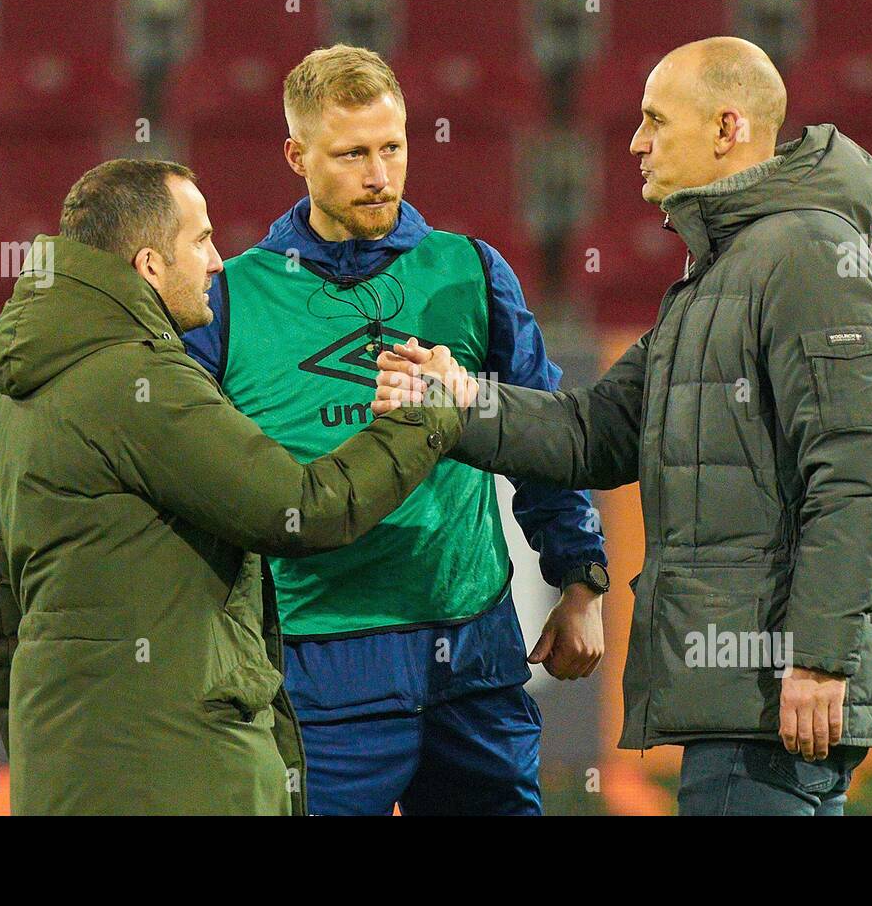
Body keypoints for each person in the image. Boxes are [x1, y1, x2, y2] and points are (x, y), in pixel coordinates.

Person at [377, 37, 872, 816]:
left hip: (769, 698)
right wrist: (458, 401)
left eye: (656, 120)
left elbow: (863, 474)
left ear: (728, 128)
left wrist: (821, 661)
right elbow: (594, 432)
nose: (635, 142)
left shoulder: (807, 254)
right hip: (743, 700)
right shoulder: (724, 273)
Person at [183, 45, 607, 815]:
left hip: (472, 657)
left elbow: (544, 435)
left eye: (392, 147)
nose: (379, 174)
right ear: (296, 156)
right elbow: (189, 476)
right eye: (351, 154)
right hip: (317, 665)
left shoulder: (470, 271)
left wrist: (580, 580)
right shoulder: (232, 299)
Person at [0, 158, 471, 815]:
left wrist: (64, 754)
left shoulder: (22, 390)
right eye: (201, 240)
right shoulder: (137, 384)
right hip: (175, 777)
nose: (217, 262)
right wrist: (426, 416)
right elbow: (303, 509)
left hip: (69, 774)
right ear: (149, 264)